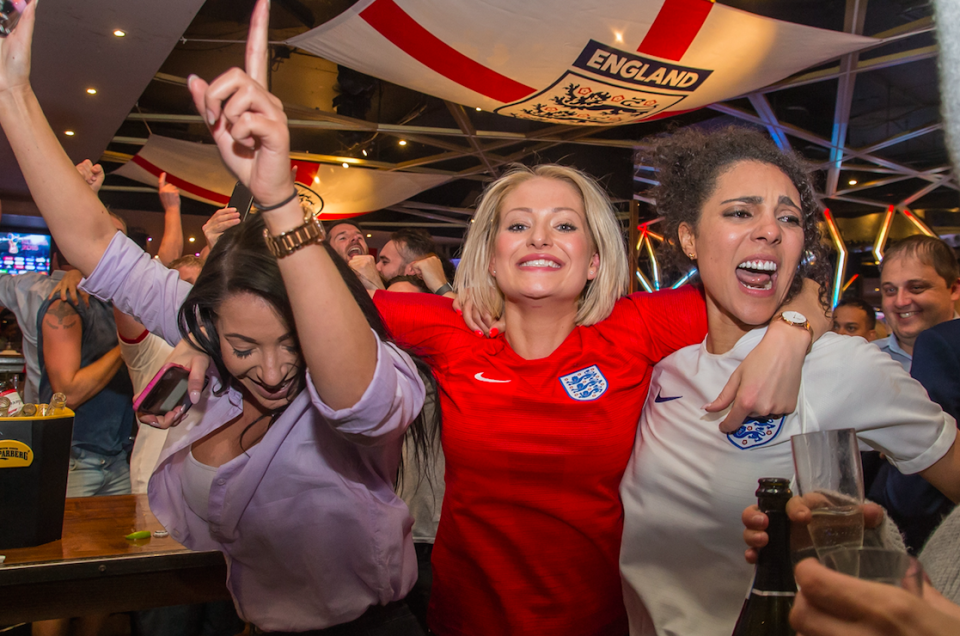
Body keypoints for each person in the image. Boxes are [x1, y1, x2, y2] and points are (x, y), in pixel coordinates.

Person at [0, 3, 428, 633]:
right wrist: (11, 90)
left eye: (291, 343)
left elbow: (357, 398)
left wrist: (280, 200)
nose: (276, 370)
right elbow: (93, 242)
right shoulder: (211, 353)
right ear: (210, 327)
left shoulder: (358, 377)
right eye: (244, 346)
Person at [372, 154, 828, 634]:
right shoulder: (451, 329)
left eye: (564, 224)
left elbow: (789, 288)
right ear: (489, 257)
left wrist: (789, 335)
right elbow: (328, 299)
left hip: (598, 619)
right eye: (519, 224)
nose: (539, 237)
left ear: (593, 261)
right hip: (467, 619)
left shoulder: (632, 326)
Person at [617, 126, 960, 636]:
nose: (770, 231)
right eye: (740, 212)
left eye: (789, 218)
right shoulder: (666, 368)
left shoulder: (840, 364)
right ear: (688, 238)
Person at [873, 234, 960, 372]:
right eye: (890, 290)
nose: (900, 302)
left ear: (954, 289)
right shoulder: (863, 362)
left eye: (916, 288)